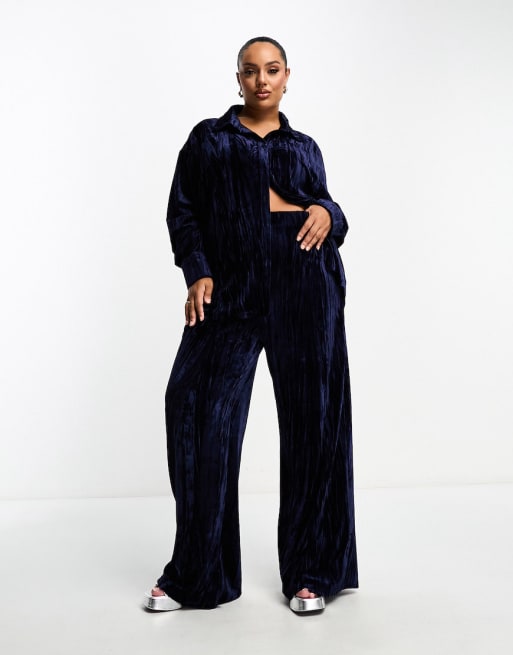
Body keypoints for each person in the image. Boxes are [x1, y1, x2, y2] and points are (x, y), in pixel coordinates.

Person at [143, 36, 358, 614]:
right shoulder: (208, 139)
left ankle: (313, 570)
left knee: (314, 426)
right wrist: (197, 271)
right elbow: (183, 211)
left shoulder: (304, 146)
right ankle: (198, 574)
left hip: (304, 281)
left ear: (287, 76)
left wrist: (327, 212)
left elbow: (327, 206)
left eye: (272, 69)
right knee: (196, 412)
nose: (262, 80)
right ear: (237, 78)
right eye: (250, 70)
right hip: (230, 288)